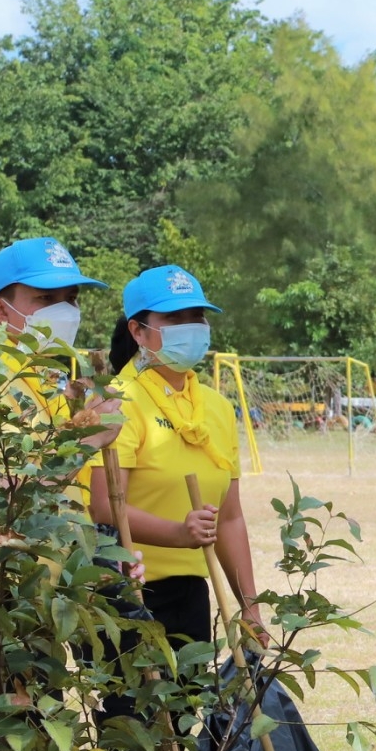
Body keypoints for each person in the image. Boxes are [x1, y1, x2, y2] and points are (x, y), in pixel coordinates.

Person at [87, 265, 261, 652]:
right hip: (126, 592)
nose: (190, 327)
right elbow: (103, 507)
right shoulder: (115, 400)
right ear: (138, 330)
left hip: (192, 593)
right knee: (131, 713)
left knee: (191, 708)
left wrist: (250, 608)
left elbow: (229, 517)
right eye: (174, 318)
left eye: (196, 317)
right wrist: (179, 534)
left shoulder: (217, 407)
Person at [0, 237, 117, 499]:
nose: (64, 310)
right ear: (0, 309)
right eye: (46, 297)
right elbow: (3, 506)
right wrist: (89, 442)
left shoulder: (46, 379)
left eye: (71, 298)